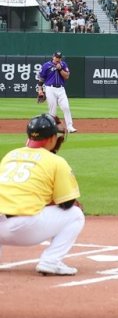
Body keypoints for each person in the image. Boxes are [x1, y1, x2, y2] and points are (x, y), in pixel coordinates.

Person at [0, 114, 85, 276]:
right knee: (75, 213)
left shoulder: (10, 155)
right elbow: (67, 203)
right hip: (22, 228)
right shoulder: (55, 161)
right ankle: (51, 261)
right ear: (52, 137)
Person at [37, 52, 77, 133]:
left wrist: (60, 69)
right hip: (50, 89)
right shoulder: (46, 65)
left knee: (66, 107)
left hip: (61, 89)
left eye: (59, 57)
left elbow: (66, 76)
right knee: (52, 109)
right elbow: (41, 79)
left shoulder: (63, 64)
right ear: (53, 57)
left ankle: (70, 127)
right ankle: (52, 128)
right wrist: (40, 90)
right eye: (57, 57)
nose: (58, 59)